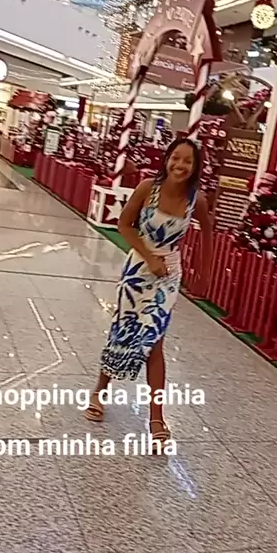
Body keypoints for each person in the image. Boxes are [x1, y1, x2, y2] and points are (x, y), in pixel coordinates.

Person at [85, 137, 212, 443]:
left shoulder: (197, 200)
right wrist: (149, 257)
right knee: (122, 330)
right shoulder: (147, 188)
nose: (180, 165)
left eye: (188, 161)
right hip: (137, 270)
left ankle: (157, 417)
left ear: (195, 167)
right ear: (166, 159)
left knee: (155, 341)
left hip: (168, 276)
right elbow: (124, 225)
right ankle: (100, 390)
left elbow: (208, 234)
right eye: (175, 158)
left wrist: (204, 274)